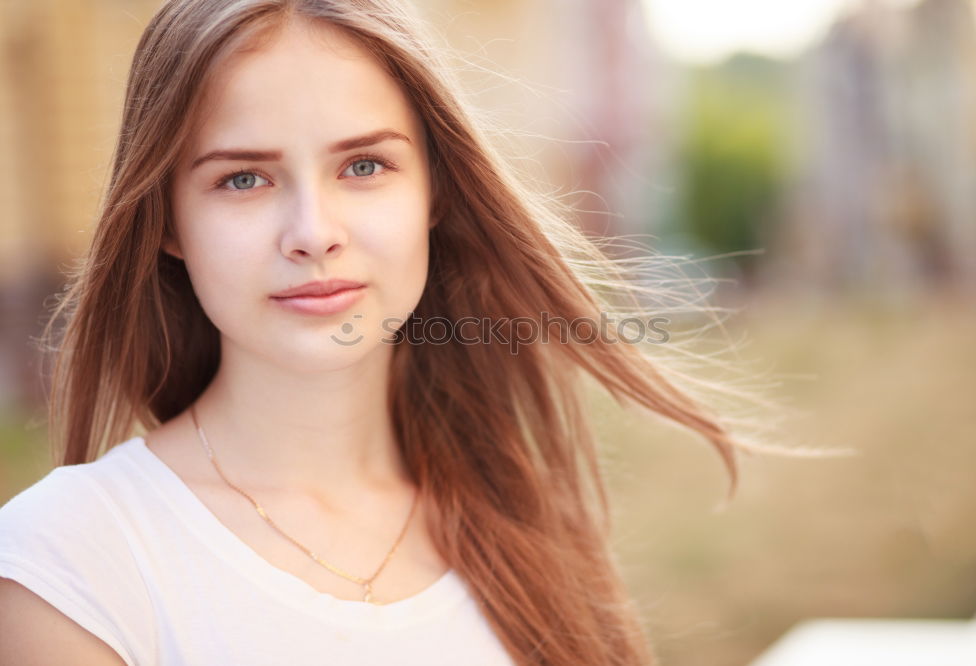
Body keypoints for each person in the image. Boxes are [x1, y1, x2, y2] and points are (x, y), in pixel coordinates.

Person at [0, 1, 778, 664]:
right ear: (168, 221)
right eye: (243, 178)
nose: (313, 232)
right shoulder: (72, 562)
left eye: (364, 166)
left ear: (433, 193)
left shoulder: (519, 522)